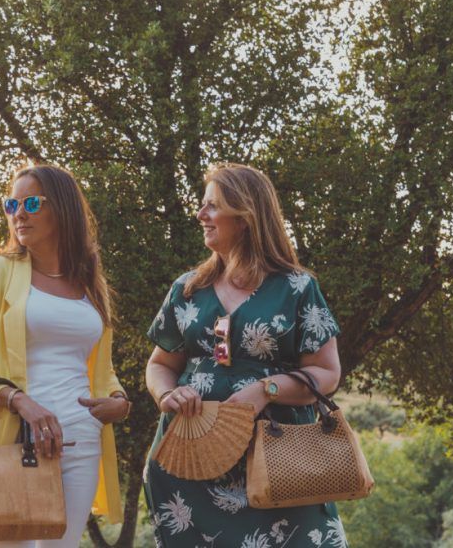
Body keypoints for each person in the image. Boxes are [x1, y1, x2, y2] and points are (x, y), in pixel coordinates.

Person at [143, 163, 348, 547]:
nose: (201, 215)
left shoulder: (297, 288)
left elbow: (327, 373)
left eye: (212, 206)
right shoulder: (186, 289)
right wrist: (167, 395)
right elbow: (159, 364)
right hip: (190, 462)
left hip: (281, 461)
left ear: (245, 216)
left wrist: (264, 389)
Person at [0, 164, 131, 548]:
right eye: (11, 204)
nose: (19, 213)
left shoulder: (89, 281)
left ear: (62, 208)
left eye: (31, 202)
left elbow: (100, 365)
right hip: (12, 441)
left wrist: (119, 400)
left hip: (79, 440)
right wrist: (21, 402)